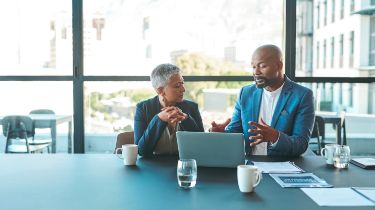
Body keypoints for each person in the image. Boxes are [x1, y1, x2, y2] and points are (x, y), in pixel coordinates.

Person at [210, 45, 315, 156]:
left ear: (279, 65)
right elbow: (235, 132)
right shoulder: (245, 93)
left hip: (283, 165)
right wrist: (222, 135)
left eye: (262, 66)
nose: (256, 72)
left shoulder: (302, 95)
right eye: (254, 67)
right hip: (249, 165)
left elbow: (301, 144)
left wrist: (276, 137)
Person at [134, 63, 204, 157]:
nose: (183, 89)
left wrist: (186, 120)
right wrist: (158, 119)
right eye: (177, 86)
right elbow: (141, 151)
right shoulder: (143, 108)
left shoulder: (192, 108)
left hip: (184, 165)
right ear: (160, 91)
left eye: (182, 83)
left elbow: (201, 145)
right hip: (154, 167)